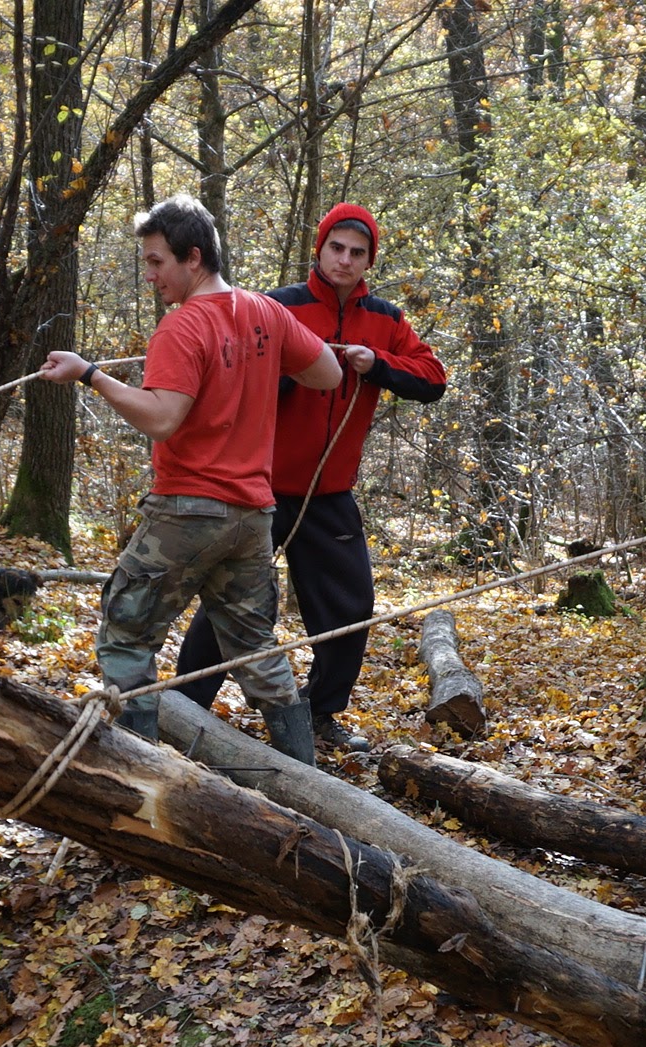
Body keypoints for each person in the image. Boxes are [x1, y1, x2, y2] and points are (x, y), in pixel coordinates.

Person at [39, 196, 343, 761]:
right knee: (255, 647)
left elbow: (161, 418)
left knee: (125, 633)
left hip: (188, 511)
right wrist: (266, 359)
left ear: (193, 257)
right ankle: (306, 775)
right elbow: (327, 372)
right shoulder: (268, 313)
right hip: (252, 517)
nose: (150, 274)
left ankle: (139, 780)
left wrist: (91, 375)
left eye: (157, 262)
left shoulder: (182, 328)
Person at [174, 203, 448, 749]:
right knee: (234, 602)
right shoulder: (278, 307)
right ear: (318, 249)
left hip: (330, 493)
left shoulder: (387, 320)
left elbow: (433, 378)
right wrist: (304, 364)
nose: (345, 260)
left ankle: (320, 715)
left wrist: (378, 364)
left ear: (370, 260)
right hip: (261, 487)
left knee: (350, 607)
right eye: (336, 248)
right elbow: (235, 379)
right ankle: (185, 708)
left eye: (357, 252)